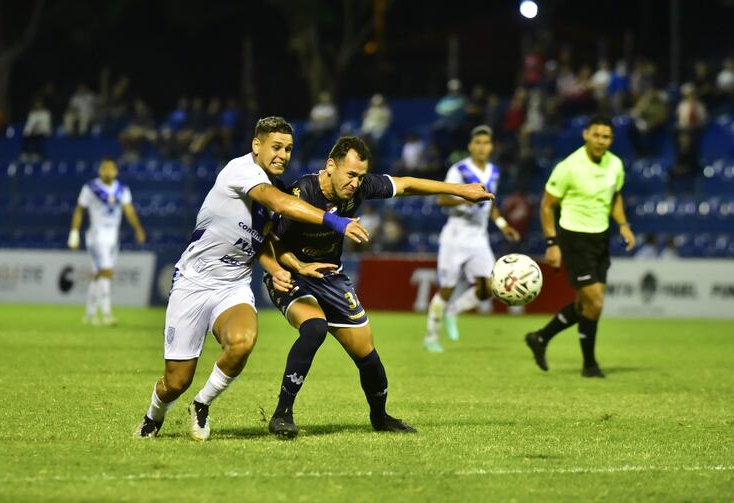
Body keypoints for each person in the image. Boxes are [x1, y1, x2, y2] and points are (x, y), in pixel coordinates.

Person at [134, 117, 369, 439]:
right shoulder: (242, 171)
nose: (282, 155)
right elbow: (278, 203)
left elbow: (262, 242)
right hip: (193, 282)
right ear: (256, 146)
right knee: (176, 381)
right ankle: (153, 416)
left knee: (242, 343)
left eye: (288, 149)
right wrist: (335, 221)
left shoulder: (274, 185)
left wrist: (284, 268)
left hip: (233, 285)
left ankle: (202, 404)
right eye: (276, 147)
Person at [262, 136, 494, 438]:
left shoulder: (361, 185)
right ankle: (282, 414)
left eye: (361, 177)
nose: (356, 183)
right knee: (315, 327)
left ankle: (380, 416)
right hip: (291, 272)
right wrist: (296, 267)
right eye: (350, 175)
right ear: (330, 166)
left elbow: (407, 185)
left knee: (365, 351)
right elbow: (271, 242)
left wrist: (461, 191)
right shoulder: (302, 193)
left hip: (330, 275)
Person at [525, 115, 635, 378]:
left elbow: (615, 196)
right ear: (586, 134)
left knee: (585, 305)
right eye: (596, 135)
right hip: (574, 237)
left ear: (612, 139)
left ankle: (540, 337)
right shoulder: (569, 167)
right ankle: (589, 365)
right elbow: (547, 205)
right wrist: (552, 243)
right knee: (595, 303)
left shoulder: (615, 165)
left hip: (600, 238)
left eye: (606, 136)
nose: (601, 141)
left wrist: (623, 224)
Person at [423, 126, 520, 353]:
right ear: (470, 146)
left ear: (492, 146)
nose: (482, 147)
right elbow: (442, 200)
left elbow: (490, 203)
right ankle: (431, 337)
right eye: (478, 143)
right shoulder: (459, 170)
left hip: (479, 238)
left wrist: (503, 225)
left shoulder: (494, 171)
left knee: (488, 288)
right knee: (447, 288)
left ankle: (453, 312)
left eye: (486, 143)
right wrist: (466, 199)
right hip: (455, 236)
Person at [67, 159, 147, 325]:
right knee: (107, 272)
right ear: (100, 170)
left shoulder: (122, 189)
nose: (109, 171)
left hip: (113, 237)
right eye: (105, 168)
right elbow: (79, 210)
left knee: (100, 275)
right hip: (97, 235)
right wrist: (74, 232)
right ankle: (106, 314)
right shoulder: (90, 188)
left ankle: (89, 315)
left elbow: (129, 210)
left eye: (112, 168)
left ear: (116, 171)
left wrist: (138, 229)